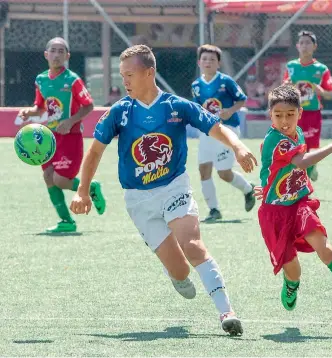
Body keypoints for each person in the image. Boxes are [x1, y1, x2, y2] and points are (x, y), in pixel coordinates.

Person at [70, 44, 258, 335]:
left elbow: (216, 127)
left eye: (129, 74)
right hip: (138, 200)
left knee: (193, 246)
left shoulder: (177, 107)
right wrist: (82, 191)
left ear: (149, 72)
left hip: (174, 187)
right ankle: (177, 273)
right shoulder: (120, 112)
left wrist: (239, 146)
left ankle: (227, 312)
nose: (125, 82)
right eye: (122, 75)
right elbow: (94, 153)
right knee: (181, 271)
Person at [254, 84, 332, 325]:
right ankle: (291, 285)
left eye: (290, 114)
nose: (285, 120)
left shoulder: (297, 132)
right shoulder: (276, 140)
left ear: (300, 112)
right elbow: (300, 162)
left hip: (299, 204)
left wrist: (268, 186)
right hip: (275, 214)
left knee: (324, 247)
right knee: (294, 271)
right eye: (278, 116)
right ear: (270, 116)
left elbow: (279, 169)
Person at [18, 37, 106, 233]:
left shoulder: (72, 80)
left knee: (61, 180)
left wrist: (70, 121)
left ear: (67, 56)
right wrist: (29, 112)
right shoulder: (40, 79)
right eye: (53, 51)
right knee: (48, 177)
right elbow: (40, 106)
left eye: (61, 51)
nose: (56, 55)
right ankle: (66, 222)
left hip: (71, 137)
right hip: (50, 138)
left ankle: (91, 187)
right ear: (46, 54)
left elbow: (89, 105)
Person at [191, 44, 255, 223]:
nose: (208, 62)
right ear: (199, 62)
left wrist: (230, 111)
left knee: (224, 173)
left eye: (212, 59)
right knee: (204, 170)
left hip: (227, 131)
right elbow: (197, 107)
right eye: (204, 59)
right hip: (207, 131)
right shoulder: (196, 85)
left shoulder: (226, 81)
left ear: (218, 63)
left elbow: (242, 100)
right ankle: (214, 210)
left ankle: (248, 189)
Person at [283, 30, 332, 182]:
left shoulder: (321, 69)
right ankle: (296, 181)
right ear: (297, 46)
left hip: (313, 113)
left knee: (311, 146)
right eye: (302, 43)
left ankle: (311, 168)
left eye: (308, 43)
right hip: (294, 113)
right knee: (295, 147)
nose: (304, 46)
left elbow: (330, 93)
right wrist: (286, 86)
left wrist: (321, 91)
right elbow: (284, 87)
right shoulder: (291, 66)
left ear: (314, 46)